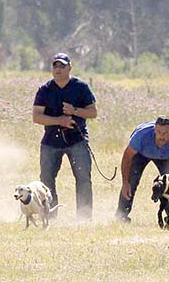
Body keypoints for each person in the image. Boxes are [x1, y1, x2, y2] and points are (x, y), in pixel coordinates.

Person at [32, 53, 97, 220]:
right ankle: (50, 216)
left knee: (83, 179)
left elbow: (93, 112)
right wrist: (59, 121)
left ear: (70, 67)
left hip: (77, 140)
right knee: (46, 180)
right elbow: (36, 116)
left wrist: (74, 111)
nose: (58, 69)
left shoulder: (81, 87)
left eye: (62, 66)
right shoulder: (45, 90)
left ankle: (84, 218)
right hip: (51, 142)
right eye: (55, 66)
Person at [115, 116, 169, 222]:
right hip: (141, 154)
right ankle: (121, 215)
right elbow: (127, 157)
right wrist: (125, 182)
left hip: (164, 157)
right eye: (159, 132)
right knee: (131, 181)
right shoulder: (141, 135)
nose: (161, 137)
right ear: (154, 129)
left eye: (165, 133)